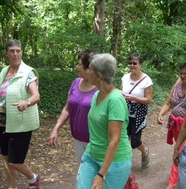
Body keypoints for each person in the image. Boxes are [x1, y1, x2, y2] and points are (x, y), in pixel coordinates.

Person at [0, 39, 40, 189]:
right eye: (12, 51)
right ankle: (12, 186)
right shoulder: (4, 72)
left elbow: (36, 96)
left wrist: (27, 102)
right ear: (7, 53)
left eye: (18, 51)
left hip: (20, 123)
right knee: (6, 158)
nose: (15, 54)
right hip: (2, 123)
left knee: (14, 161)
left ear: (22, 52)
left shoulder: (28, 73)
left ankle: (33, 178)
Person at [77, 53, 132, 189]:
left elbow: (114, 140)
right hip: (91, 156)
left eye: (90, 68)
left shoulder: (115, 100)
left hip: (114, 162)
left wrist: (101, 175)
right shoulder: (96, 94)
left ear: (99, 75)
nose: (87, 71)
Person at [49, 49, 98, 163]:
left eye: (80, 64)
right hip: (78, 139)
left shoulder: (102, 87)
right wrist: (56, 129)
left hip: (96, 142)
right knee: (83, 174)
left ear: (89, 68)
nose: (77, 67)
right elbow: (67, 109)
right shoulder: (76, 82)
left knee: (95, 177)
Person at [157, 62, 186, 189]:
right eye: (181, 73)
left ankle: (172, 182)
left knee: (179, 150)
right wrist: (161, 114)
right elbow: (169, 103)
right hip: (174, 123)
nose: (183, 76)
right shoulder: (176, 86)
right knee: (181, 150)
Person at [120, 53, 153, 167]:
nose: (132, 65)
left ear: (140, 65)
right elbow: (121, 92)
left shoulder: (146, 80)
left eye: (135, 63)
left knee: (135, 140)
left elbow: (148, 100)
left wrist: (134, 98)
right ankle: (124, 161)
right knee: (122, 137)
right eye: (130, 63)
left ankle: (144, 151)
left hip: (139, 113)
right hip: (124, 111)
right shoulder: (124, 77)